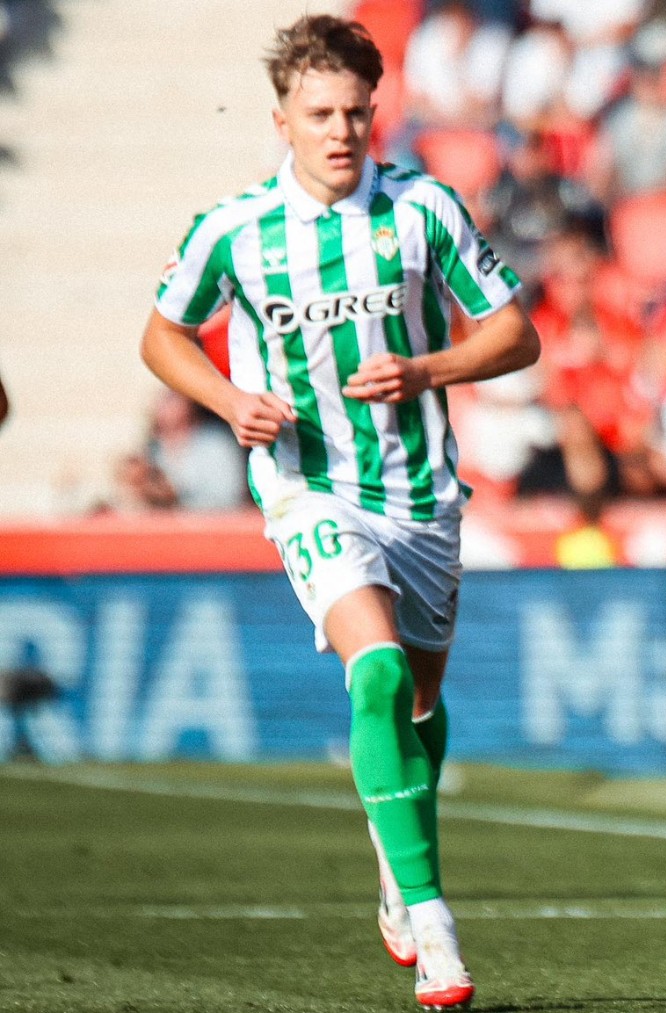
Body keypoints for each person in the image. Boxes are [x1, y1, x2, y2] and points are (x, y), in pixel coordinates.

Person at [139, 16, 538, 1010]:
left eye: (358, 112)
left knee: (418, 709)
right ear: (282, 119)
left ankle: (395, 870)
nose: (341, 131)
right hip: (307, 487)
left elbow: (516, 333)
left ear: (376, 111)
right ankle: (436, 924)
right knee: (380, 668)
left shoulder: (423, 210)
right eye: (321, 114)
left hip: (422, 494)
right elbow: (163, 333)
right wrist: (230, 401)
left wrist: (429, 368)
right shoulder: (233, 229)